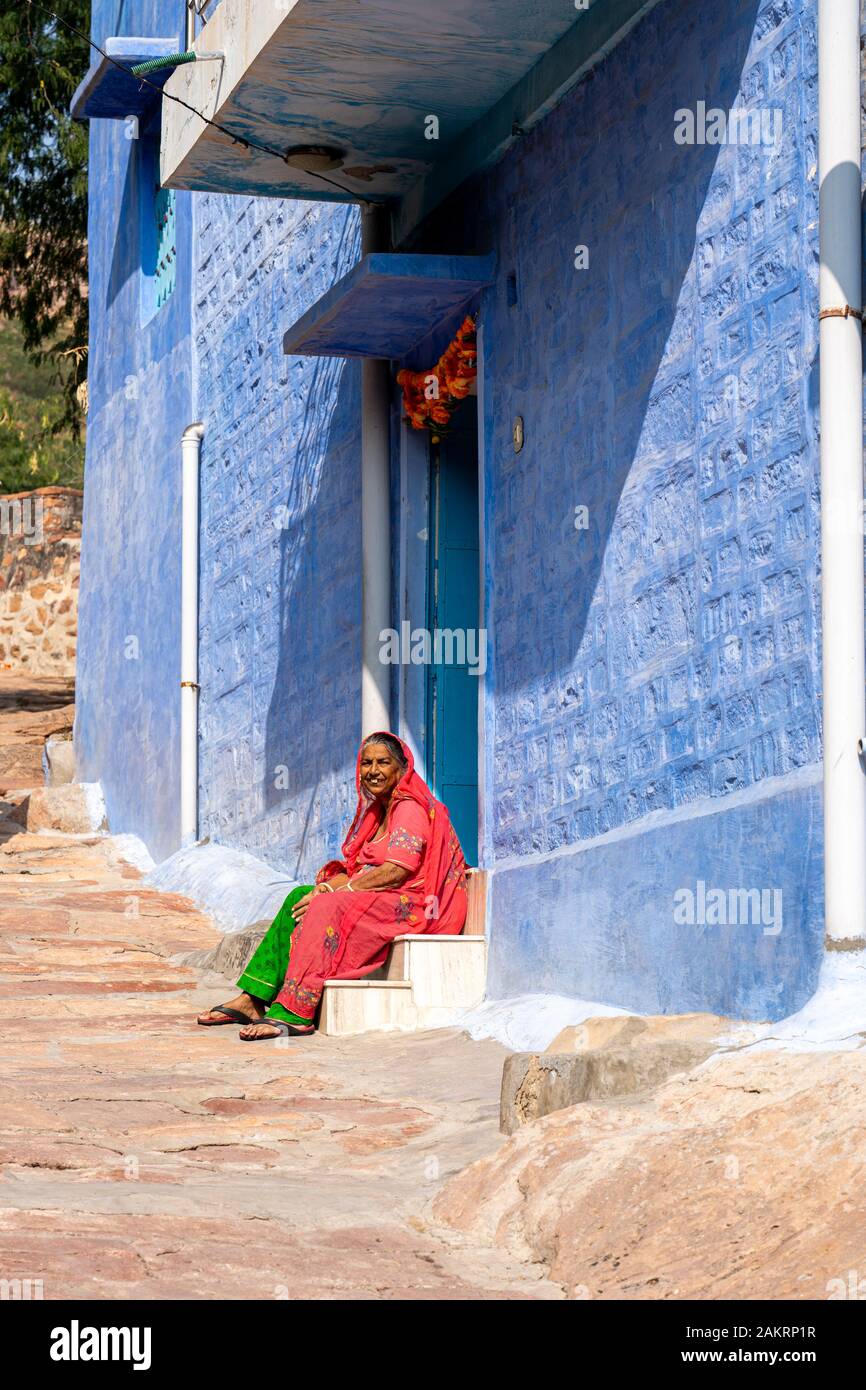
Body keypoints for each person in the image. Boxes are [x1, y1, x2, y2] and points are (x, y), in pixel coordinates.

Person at [196, 732, 468, 1040]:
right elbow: (356, 869)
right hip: (383, 895)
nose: (373, 771)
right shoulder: (379, 811)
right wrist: (326, 888)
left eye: (383, 762)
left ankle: (294, 1010)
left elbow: (396, 870)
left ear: (402, 768)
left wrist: (342, 892)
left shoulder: (409, 808)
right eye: (366, 763)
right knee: (300, 896)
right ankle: (253, 998)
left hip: (413, 903)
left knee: (326, 905)